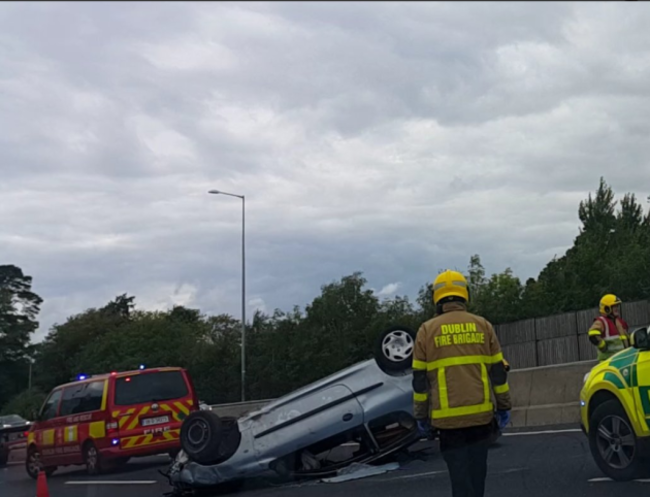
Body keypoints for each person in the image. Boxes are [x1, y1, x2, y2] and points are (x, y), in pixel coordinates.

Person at [412, 269, 512, 497]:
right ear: (465, 294)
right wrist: (504, 405)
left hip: (448, 424)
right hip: (481, 417)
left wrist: (421, 415)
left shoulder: (426, 331)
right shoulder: (483, 326)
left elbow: (419, 379)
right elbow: (498, 372)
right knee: (478, 476)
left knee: (459, 480)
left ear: (436, 298)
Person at [588, 294, 630, 362]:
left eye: (617, 306)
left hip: (621, 360)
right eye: (614, 306)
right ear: (607, 308)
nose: (617, 308)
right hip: (607, 362)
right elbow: (592, 334)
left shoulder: (619, 322)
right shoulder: (601, 322)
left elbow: (627, 339)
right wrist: (602, 346)